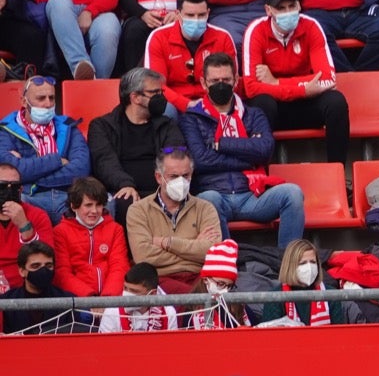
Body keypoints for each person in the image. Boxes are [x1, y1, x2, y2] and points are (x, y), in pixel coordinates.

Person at [181, 52, 305, 248]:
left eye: (226, 80)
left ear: (236, 80)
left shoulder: (253, 114)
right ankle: (225, 266)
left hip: (252, 196)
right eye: (214, 80)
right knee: (208, 200)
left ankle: (288, 264)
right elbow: (200, 160)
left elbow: (265, 151)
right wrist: (248, 155)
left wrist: (221, 145)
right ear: (204, 83)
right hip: (215, 194)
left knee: (293, 193)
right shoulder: (192, 118)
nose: (220, 85)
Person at [240, 0, 351, 165]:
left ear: (299, 5)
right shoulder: (256, 31)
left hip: (305, 104)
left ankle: (337, 172)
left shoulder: (311, 26)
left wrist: (275, 82)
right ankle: (262, 175)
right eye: (281, 8)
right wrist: (303, 88)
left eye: (292, 6)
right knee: (261, 103)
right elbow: (251, 88)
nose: (288, 12)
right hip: (275, 108)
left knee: (336, 101)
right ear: (268, 10)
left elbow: (328, 78)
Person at [125, 147, 223, 293]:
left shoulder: (205, 208)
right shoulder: (138, 211)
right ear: (159, 177)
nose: (181, 181)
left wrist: (167, 243)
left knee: (229, 302)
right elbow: (143, 257)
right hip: (161, 281)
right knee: (197, 301)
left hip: (200, 278)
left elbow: (214, 254)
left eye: (185, 175)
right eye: (174, 176)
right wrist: (195, 247)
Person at [87, 69, 185, 215]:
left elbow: (175, 157)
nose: (161, 98)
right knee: (126, 201)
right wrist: (125, 184)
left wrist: (165, 187)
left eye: (161, 92)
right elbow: (105, 162)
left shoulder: (167, 125)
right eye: (155, 93)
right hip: (124, 189)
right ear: (135, 97)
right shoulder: (102, 126)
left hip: (162, 189)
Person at [0, 74, 88, 222]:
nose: (48, 104)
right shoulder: (4, 130)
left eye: (51, 98)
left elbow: (81, 169)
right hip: (28, 197)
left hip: (66, 195)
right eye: (41, 98)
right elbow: (12, 171)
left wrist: (32, 176)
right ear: (24, 101)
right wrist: (57, 161)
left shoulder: (69, 126)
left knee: (106, 203)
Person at [142, 0, 237, 111]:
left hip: (216, 103)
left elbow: (232, 81)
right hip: (176, 105)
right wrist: (186, 104)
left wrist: (208, 104)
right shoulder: (158, 38)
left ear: (208, 13)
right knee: (164, 109)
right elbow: (155, 85)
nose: (196, 20)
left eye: (201, 15)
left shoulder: (223, 37)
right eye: (190, 15)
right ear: (177, 14)